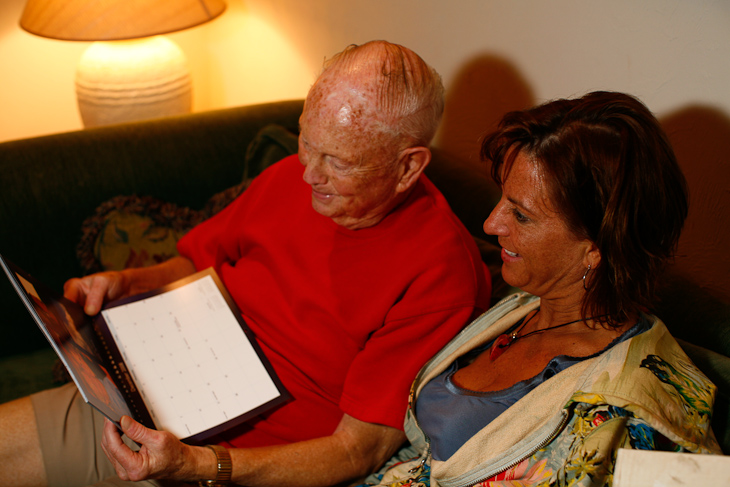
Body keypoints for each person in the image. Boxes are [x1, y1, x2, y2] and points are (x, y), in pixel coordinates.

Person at [0, 41, 492, 487]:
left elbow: (355, 452)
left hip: (239, 466)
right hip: (150, 393)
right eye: (306, 142)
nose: (309, 173)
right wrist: (123, 281)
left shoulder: (441, 271)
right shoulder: (292, 177)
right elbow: (191, 262)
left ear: (408, 167)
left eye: (337, 162)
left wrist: (199, 464)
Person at [362, 91, 721, 487]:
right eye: (502, 198)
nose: (490, 223)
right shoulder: (522, 304)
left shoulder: (636, 410)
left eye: (521, 215)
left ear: (596, 248)